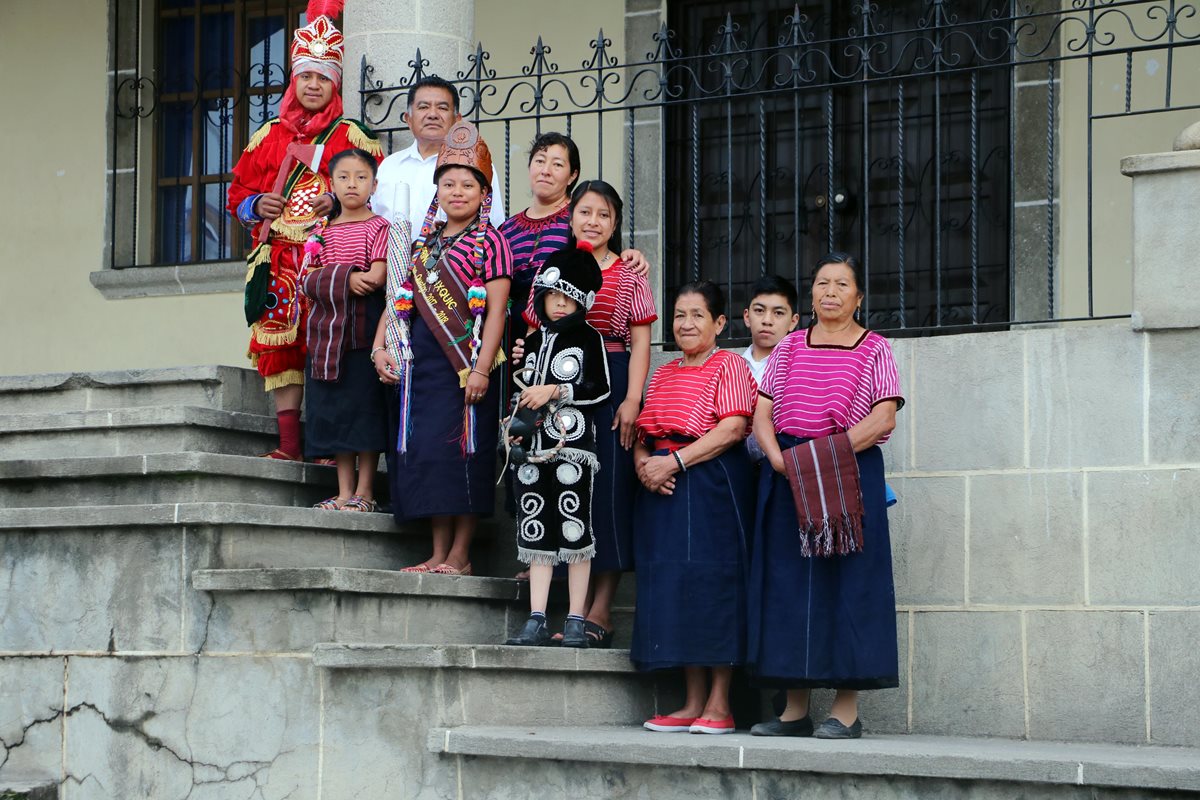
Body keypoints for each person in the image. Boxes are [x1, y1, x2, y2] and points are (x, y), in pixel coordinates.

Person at [746, 252, 903, 740]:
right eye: (821, 283)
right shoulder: (791, 345)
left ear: (859, 296)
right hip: (788, 471)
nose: (829, 291)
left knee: (847, 587)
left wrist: (824, 456)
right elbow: (763, 413)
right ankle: (794, 710)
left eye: (841, 284)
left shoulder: (875, 348)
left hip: (846, 468)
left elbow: (883, 418)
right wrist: (777, 460)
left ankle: (847, 712)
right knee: (789, 588)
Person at [227, 1, 383, 460]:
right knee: (281, 347)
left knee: (329, 346)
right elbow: (237, 196)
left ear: (334, 83)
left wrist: (335, 202)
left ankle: (329, 444)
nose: (313, 85)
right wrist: (259, 204)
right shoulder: (268, 135)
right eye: (306, 76)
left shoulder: (350, 135)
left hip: (329, 257)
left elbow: (373, 196)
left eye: (323, 77)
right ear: (294, 80)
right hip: (278, 258)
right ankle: (290, 445)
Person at [371, 120, 512, 575]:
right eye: (448, 183)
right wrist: (381, 348)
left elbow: (496, 312)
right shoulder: (422, 245)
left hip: (467, 365)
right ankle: (436, 552)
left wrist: (483, 369)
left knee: (463, 453)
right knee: (429, 454)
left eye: (467, 184)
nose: (457, 192)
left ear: (483, 191)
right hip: (422, 367)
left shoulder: (493, 241)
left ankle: (461, 556)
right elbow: (398, 303)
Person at [519, 180, 656, 646]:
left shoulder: (629, 272)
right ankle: (554, 608)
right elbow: (535, 330)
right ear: (570, 216)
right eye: (585, 212)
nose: (593, 221)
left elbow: (640, 342)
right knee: (559, 481)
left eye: (604, 215)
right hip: (554, 387)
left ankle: (600, 609)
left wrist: (633, 398)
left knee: (607, 488)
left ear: (615, 224)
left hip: (610, 379)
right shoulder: (550, 267)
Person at [632, 281, 757, 735]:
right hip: (663, 487)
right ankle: (691, 701)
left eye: (697, 315)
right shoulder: (663, 372)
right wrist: (646, 467)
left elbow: (732, 429)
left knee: (713, 581)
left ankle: (720, 704)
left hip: (711, 481)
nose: (686, 324)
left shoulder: (729, 366)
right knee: (675, 584)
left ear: (720, 323)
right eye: (680, 314)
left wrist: (675, 463)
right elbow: (643, 432)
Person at [504, 243, 611, 648]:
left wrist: (556, 390)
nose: (559, 305)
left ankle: (576, 619)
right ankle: (535, 618)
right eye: (552, 297)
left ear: (582, 301)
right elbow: (519, 390)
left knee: (573, 524)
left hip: (573, 445)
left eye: (568, 298)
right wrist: (513, 422)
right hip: (532, 447)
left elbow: (599, 388)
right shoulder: (530, 344)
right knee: (534, 526)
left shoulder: (589, 338)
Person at [299, 148, 389, 511]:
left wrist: (337, 278)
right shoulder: (318, 232)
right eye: (343, 177)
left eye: (361, 177)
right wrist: (347, 278)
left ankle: (365, 492)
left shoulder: (379, 227)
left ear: (375, 184)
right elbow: (306, 280)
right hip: (326, 337)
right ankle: (342, 491)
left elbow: (376, 277)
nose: (352, 184)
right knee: (335, 410)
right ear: (331, 184)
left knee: (364, 409)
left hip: (363, 333)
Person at [372, 76, 505, 234]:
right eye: (423, 107)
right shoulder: (388, 166)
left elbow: (493, 224)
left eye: (442, 108)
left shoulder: (476, 165)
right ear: (408, 119)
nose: (432, 114)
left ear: (457, 121)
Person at [740, 274, 800, 463]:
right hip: (737, 469)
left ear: (793, 321)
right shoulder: (731, 367)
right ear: (747, 317)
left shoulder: (798, 368)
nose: (767, 320)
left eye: (778, 313)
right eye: (759, 310)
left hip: (783, 464)